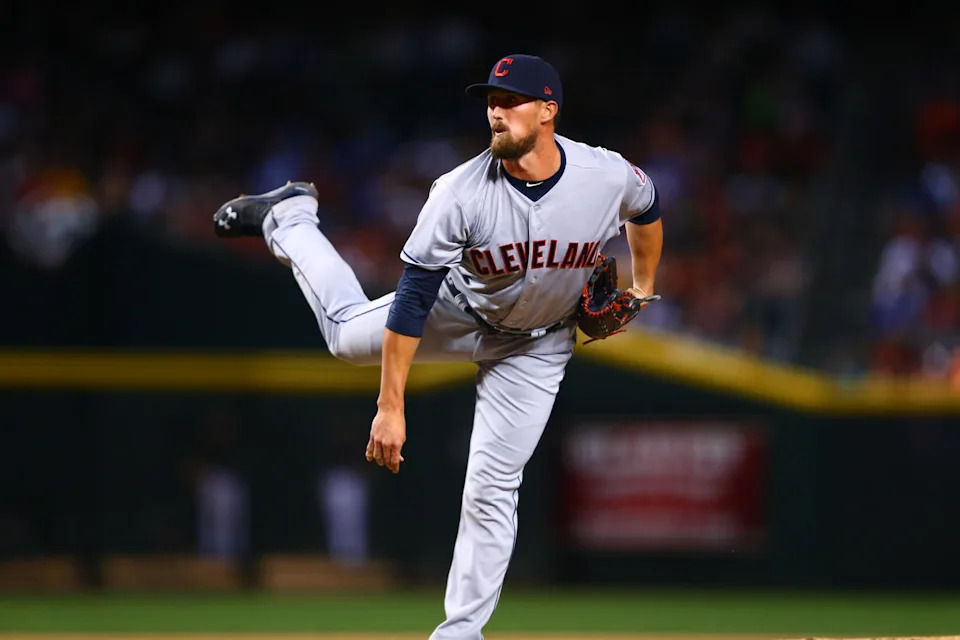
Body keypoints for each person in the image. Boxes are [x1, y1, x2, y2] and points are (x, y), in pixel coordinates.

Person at [212, 53, 663, 639]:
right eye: (490, 102)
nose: (495, 113)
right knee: (347, 337)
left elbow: (646, 204)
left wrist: (644, 288)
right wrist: (390, 406)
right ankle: (291, 218)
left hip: (538, 344)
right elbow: (411, 302)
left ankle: (460, 634)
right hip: (458, 311)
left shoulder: (602, 174)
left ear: (549, 110)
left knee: (494, 483)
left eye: (510, 101)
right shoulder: (458, 192)